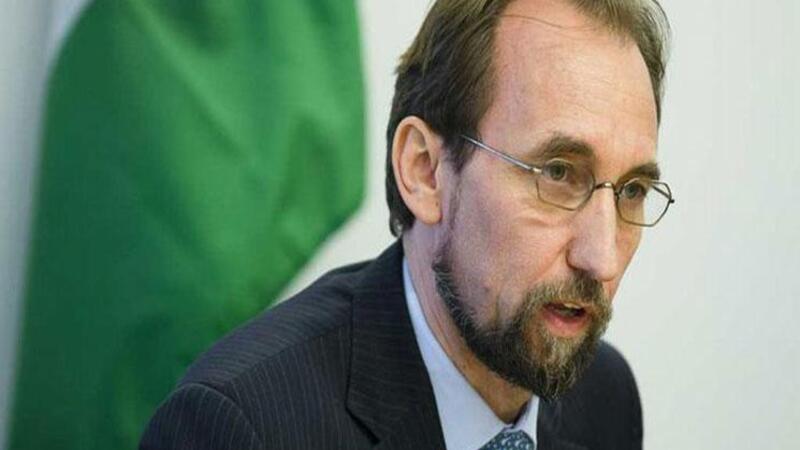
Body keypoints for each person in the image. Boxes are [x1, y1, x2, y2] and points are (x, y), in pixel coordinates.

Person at [140, 0, 673, 448]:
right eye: (557, 174)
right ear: (424, 171)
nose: (602, 257)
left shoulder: (603, 398)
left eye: (631, 191)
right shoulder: (241, 425)